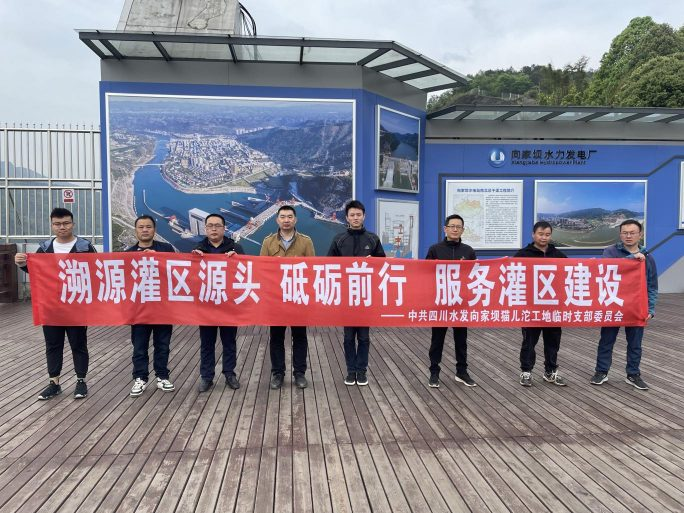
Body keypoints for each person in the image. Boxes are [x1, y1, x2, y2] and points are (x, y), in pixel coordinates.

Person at [14, 207, 96, 400]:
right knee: (53, 345)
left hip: (76, 306)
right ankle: (54, 383)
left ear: (73, 224)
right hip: (51, 307)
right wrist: (22, 263)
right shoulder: (44, 248)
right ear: (52, 225)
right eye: (57, 224)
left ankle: (81, 381)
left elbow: (97, 271)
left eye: (66, 223)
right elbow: (35, 270)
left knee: (78, 344)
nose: (62, 227)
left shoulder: (85, 247)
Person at [591, 219, 657, 390]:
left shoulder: (648, 257)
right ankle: (601, 371)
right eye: (625, 233)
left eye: (632, 233)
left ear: (640, 234)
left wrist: (650, 309)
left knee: (635, 343)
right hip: (613, 303)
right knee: (606, 340)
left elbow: (652, 286)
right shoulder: (610, 251)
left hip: (636, 306)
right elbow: (606, 268)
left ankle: (633, 374)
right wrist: (631, 258)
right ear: (620, 234)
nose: (628, 236)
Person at [327, 200, 385, 386]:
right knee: (348, 337)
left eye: (358, 215)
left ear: (364, 216)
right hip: (347, 295)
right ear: (347, 217)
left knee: (364, 337)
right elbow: (328, 264)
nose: (355, 218)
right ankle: (351, 371)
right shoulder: (339, 239)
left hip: (366, 295)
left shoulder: (373, 239)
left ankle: (362, 371)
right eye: (352, 215)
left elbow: (383, 264)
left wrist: (373, 261)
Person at [261, 205, 315, 389]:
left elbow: (312, 270)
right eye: (282, 217)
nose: (286, 220)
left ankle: (299, 373)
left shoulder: (306, 242)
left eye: (289, 217)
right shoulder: (268, 242)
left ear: (295, 219)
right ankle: (278, 374)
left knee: (299, 337)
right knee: (276, 338)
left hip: (298, 297)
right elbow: (262, 269)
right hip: (276, 298)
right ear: (277, 220)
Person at [192, 213, 245, 392]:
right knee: (207, 343)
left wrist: (237, 259)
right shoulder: (197, 249)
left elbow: (246, 272)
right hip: (206, 305)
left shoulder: (236, 248)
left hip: (228, 305)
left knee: (229, 342)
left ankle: (230, 373)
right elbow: (190, 277)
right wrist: (194, 259)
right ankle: (206, 377)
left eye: (217, 225)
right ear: (205, 228)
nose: (213, 229)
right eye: (210, 226)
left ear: (224, 228)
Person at [125, 215, 176, 397]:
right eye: (141, 227)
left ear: (154, 230)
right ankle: (140, 378)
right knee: (139, 346)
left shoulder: (166, 249)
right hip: (139, 310)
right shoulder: (128, 254)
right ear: (136, 231)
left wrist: (158, 259)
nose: (145, 230)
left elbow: (176, 272)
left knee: (163, 344)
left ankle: (162, 376)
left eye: (148, 226)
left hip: (162, 308)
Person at [425, 214, 477, 388]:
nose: (455, 229)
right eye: (452, 226)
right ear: (445, 229)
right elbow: (426, 274)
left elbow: (474, 276)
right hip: (440, 302)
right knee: (437, 340)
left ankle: (462, 372)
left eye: (458, 227)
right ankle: (434, 372)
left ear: (463, 230)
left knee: (461, 340)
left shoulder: (468, 251)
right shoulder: (435, 250)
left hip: (460, 301)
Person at [515, 221, 568, 387]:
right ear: (533, 235)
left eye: (547, 234)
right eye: (540, 234)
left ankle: (550, 371)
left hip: (553, 307)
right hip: (531, 307)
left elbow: (569, 276)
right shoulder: (522, 255)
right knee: (529, 341)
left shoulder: (558, 255)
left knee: (553, 342)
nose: (544, 237)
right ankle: (526, 371)